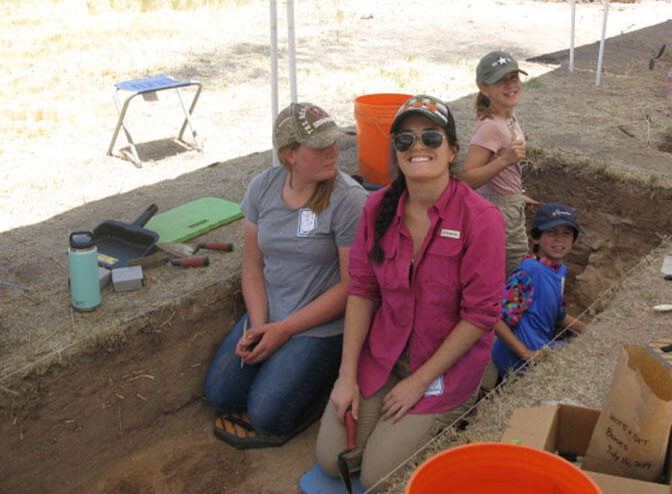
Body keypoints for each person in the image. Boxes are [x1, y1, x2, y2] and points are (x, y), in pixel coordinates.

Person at [315, 95, 506, 491]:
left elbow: (480, 315)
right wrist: (346, 375)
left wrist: (418, 382)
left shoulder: (482, 220)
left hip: (443, 369)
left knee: (374, 477)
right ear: (396, 153)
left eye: (431, 138)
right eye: (405, 140)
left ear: (453, 150)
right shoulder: (377, 208)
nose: (417, 147)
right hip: (385, 355)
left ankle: (475, 385)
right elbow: (362, 290)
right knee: (333, 461)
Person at [203, 102, 367, 448]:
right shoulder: (263, 187)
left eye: (335, 142)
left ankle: (318, 389)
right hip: (271, 313)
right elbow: (252, 266)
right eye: (322, 146)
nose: (334, 152)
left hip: (320, 327)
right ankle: (287, 373)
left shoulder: (348, 199)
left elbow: (351, 285)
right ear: (290, 154)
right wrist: (260, 326)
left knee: (267, 416)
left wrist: (284, 330)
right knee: (220, 395)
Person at [461, 50, 539, 276]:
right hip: (499, 212)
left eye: (513, 78)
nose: (511, 86)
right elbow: (468, 179)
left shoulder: (507, 114)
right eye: (501, 81)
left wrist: (516, 194)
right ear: (484, 88)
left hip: (509, 203)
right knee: (513, 268)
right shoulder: (490, 126)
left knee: (516, 264)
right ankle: (505, 310)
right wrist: (505, 160)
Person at [491, 203, 587, 379]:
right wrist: (526, 353)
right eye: (552, 232)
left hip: (540, 348)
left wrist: (590, 331)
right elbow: (496, 319)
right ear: (536, 238)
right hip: (517, 359)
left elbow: (558, 315)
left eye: (567, 233)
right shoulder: (529, 271)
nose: (560, 239)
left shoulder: (561, 270)